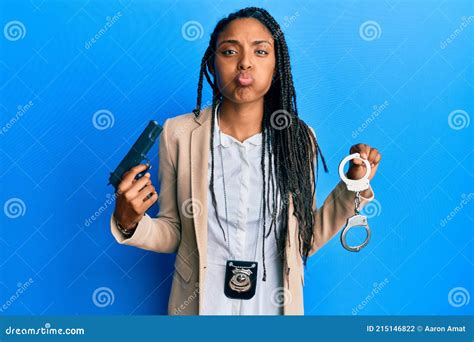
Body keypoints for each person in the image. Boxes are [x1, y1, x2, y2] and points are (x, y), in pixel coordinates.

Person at [110, 7, 382, 315]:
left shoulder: (299, 139)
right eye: (229, 51)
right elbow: (175, 231)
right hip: (199, 307)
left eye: (261, 51)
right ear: (212, 62)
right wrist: (129, 221)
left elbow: (303, 240)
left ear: (277, 65)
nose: (245, 63)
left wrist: (353, 186)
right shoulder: (178, 133)